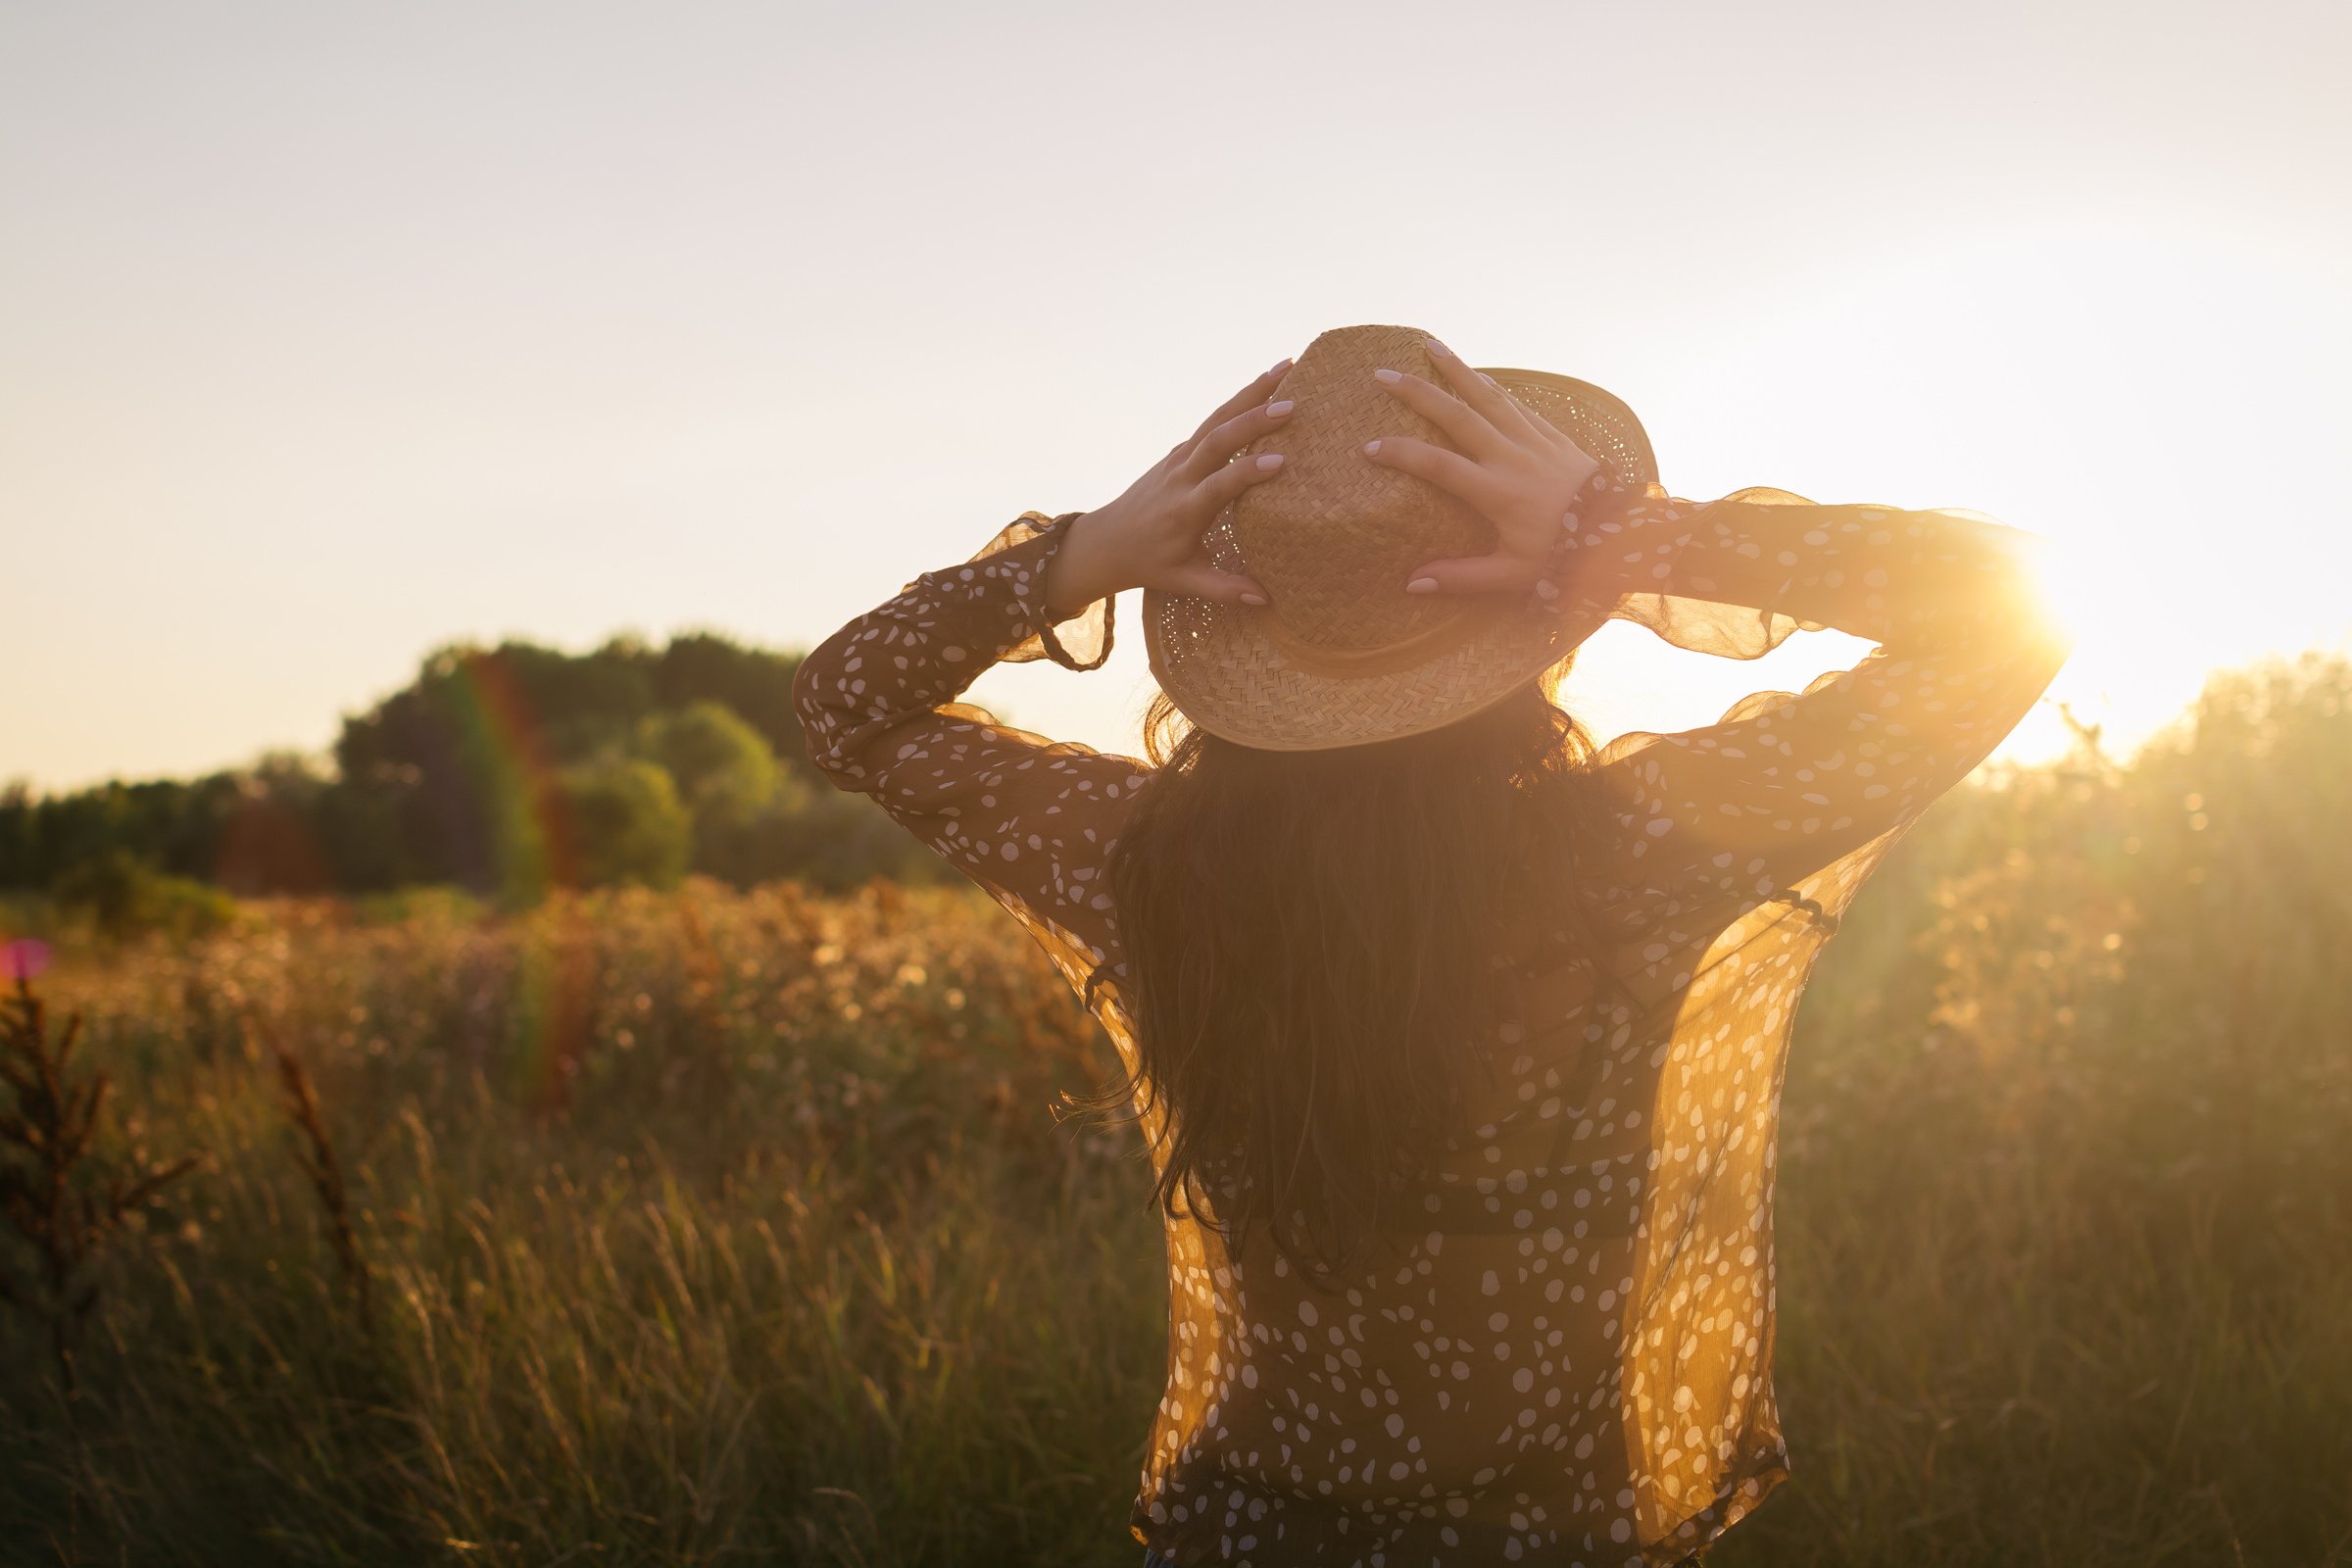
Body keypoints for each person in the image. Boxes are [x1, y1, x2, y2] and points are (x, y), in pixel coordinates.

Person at [792, 323, 2072, 1567]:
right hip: (1542, 1539)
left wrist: (1080, 558)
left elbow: (849, 706)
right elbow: (2010, 613)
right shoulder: (1634, 856)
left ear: (1243, 633)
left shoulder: (1144, 866)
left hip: (1234, 1532)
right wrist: (1626, 536)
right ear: (1520, 631)